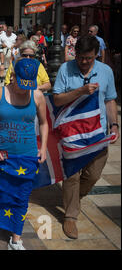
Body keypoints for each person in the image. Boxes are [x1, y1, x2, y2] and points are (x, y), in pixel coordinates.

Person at [53, 35, 119, 240]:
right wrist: (80, 91)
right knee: (71, 175)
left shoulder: (106, 71)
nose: (84, 62)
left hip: (97, 133)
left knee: (92, 174)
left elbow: (109, 100)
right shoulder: (65, 69)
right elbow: (56, 99)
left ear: (96, 55)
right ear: (76, 54)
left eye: (88, 58)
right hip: (71, 133)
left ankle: (74, 198)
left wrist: (114, 124)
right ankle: (70, 215)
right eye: (81, 58)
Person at [0, 58, 48, 250]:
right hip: (2, 155)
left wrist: (43, 147)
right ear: (12, 76)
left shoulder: (37, 96)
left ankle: (16, 239)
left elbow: (43, 123)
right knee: (1, 190)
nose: (25, 89)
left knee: (22, 197)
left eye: (29, 84)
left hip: (28, 155)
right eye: (22, 84)